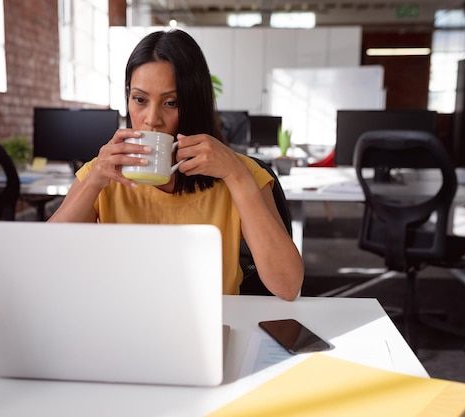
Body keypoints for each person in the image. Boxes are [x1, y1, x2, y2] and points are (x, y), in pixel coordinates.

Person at [48, 29, 303, 300]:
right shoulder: (103, 172)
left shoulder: (239, 172)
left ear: (194, 105)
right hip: (123, 322)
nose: (151, 119)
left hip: (212, 324)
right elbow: (45, 262)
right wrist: (93, 182)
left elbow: (287, 286)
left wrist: (236, 175)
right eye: (140, 100)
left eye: (171, 102)